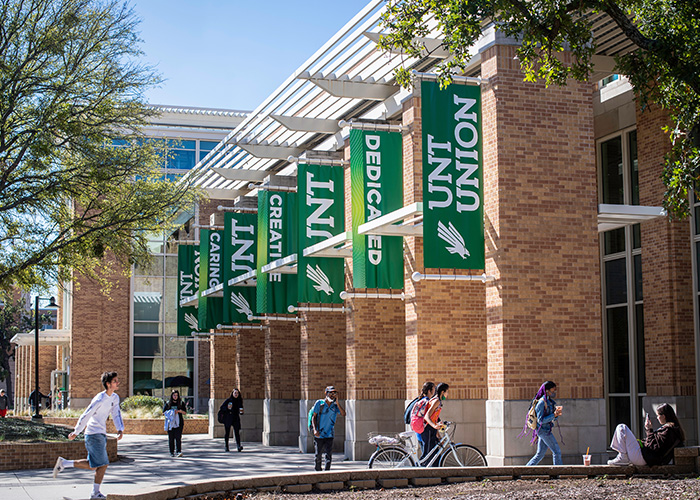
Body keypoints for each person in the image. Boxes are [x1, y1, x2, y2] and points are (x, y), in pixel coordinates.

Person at [52, 371, 124, 500]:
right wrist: (76, 431)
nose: (117, 383)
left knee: (93, 465)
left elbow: (116, 413)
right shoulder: (100, 398)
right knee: (103, 464)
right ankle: (95, 494)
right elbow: (86, 414)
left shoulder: (114, 398)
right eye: (115, 381)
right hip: (93, 434)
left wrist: (120, 429)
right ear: (108, 384)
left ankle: (64, 463)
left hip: (101, 434)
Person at [608, 403, 686, 466]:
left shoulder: (668, 430)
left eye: (658, 415)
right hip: (646, 457)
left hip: (644, 458)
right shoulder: (673, 430)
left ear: (664, 416)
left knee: (621, 427)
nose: (657, 418)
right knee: (624, 432)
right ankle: (623, 456)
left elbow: (652, 446)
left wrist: (649, 429)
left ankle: (623, 456)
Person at [525, 381, 563, 466]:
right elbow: (541, 421)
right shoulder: (541, 403)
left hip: (546, 429)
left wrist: (556, 414)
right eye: (552, 391)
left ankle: (526, 469)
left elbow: (553, 418)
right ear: (547, 391)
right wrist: (553, 415)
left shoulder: (550, 402)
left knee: (540, 454)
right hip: (543, 431)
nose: (553, 393)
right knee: (556, 451)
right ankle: (559, 471)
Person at [310, 385, 345, 471]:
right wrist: (315, 429)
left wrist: (337, 402)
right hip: (319, 434)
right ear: (326, 393)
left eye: (334, 393)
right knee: (318, 454)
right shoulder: (319, 403)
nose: (333, 395)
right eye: (331, 393)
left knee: (328, 455)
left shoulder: (335, 406)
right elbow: (314, 417)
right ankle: (318, 471)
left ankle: (327, 472)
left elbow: (343, 414)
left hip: (330, 434)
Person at [421, 382, 449, 460]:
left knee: (434, 455)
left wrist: (437, 427)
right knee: (428, 456)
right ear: (442, 392)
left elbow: (433, 417)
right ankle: (419, 469)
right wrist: (434, 426)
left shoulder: (437, 401)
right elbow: (427, 416)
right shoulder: (436, 401)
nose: (447, 394)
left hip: (431, 430)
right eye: (447, 392)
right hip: (428, 430)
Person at [412, 381, 435, 455]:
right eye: (434, 389)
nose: (434, 391)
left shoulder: (420, 400)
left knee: (424, 452)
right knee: (426, 455)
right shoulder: (427, 402)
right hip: (424, 429)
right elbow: (429, 416)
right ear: (429, 391)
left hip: (418, 428)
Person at [163, 390, 187, 457]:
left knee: (178, 437)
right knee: (171, 438)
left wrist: (179, 411)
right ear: (172, 396)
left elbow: (185, 412)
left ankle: (178, 451)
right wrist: (171, 412)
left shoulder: (181, 403)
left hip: (179, 423)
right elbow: (163, 413)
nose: (175, 397)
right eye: (174, 395)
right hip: (170, 423)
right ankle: (171, 452)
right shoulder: (168, 403)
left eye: (176, 395)